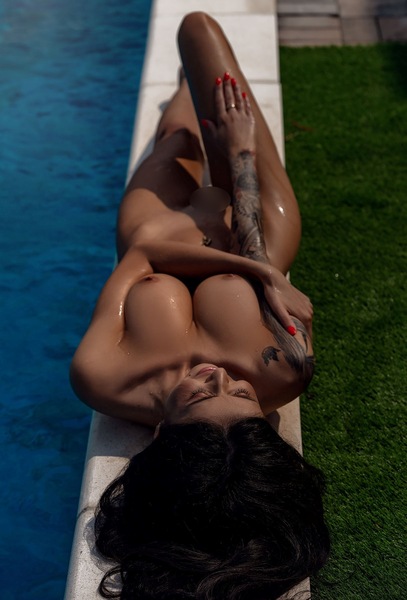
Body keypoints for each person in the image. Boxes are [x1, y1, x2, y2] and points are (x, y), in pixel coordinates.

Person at [71, 12, 330, 600]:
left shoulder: (100, 376)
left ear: (161, 433)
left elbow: (141, 255)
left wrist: (258, 277)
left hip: (160, 230)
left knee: (179, 137)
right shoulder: (284, 370)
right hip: (253, 229)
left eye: (199, 395)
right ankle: (197, 108)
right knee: (198, 30)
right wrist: (240, 159)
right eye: (242, 395)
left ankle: (179, 103)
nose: (219, 376)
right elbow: (252, 247)